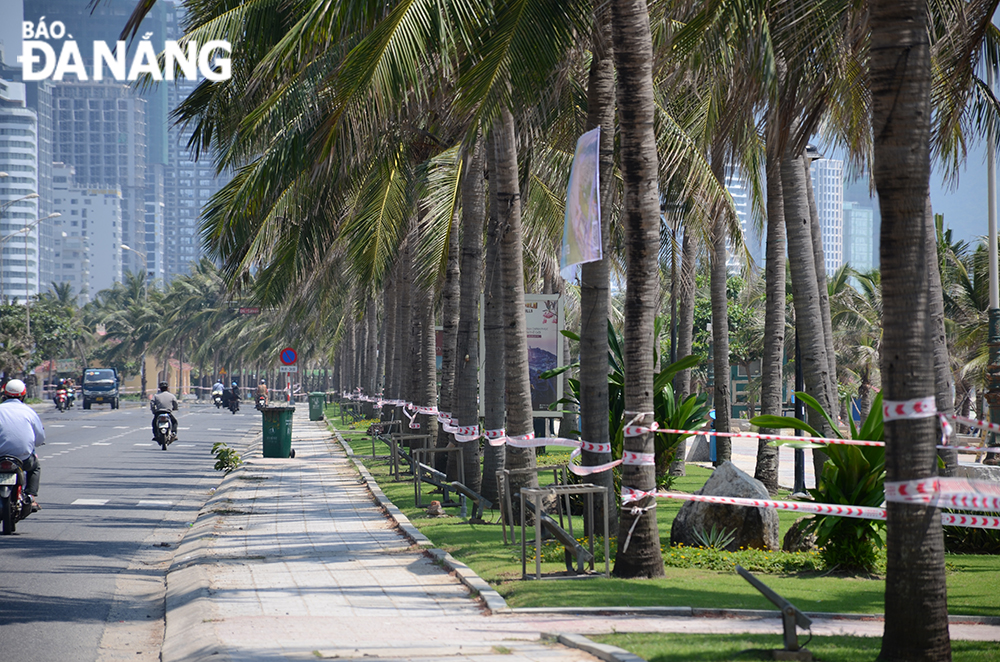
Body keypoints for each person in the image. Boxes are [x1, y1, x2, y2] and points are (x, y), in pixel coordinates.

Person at [0, 379, 44, 510]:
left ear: (4, 394)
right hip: (23, 458)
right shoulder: (29, 411)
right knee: (35, 467)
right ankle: (31, 496)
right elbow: (40, 438)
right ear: (23, 396)